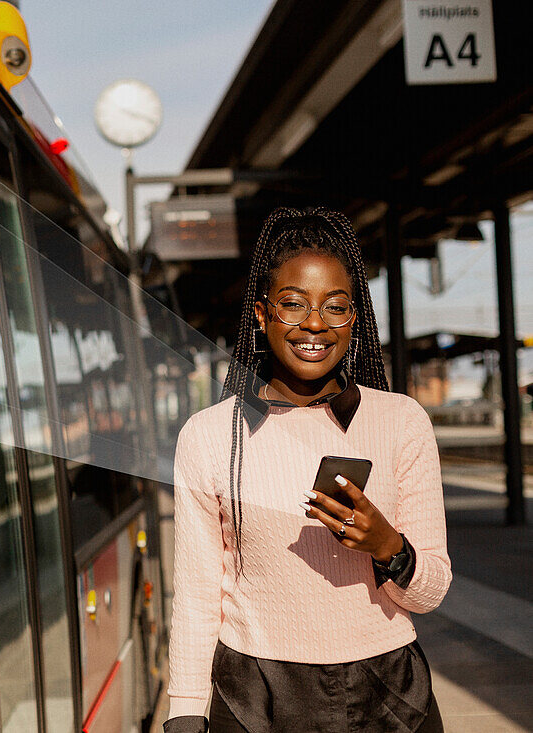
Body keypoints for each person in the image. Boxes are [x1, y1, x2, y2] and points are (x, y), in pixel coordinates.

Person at [164, 208, 451, 732]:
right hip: (255, 696)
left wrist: (387, 546)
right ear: (260, 312)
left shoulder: (402, 421)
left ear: (354, 319)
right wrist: (184, 709)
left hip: (386, 694)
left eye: (334, 308)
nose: (314, 324)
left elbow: (430, 593)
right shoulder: (207, 436)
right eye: (293, 304)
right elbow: (198, 592)